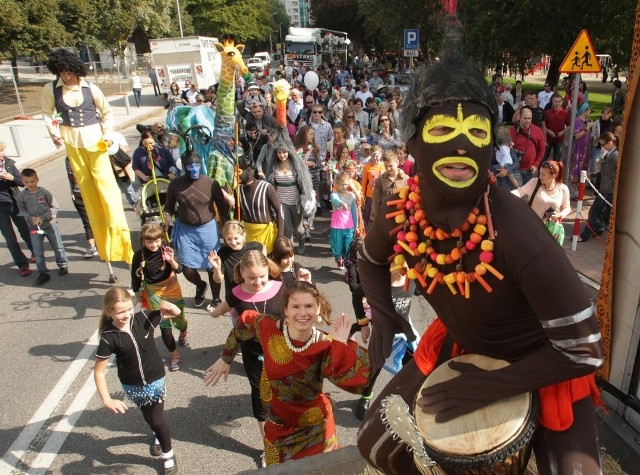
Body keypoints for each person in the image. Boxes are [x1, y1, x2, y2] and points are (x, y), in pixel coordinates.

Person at [356, 12, 603, 473]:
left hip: (545, 365)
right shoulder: (400, 210)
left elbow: (585, 347)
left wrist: (497, 385)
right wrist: (384, 318)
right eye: (443, 131)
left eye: (477, 133)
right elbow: (369, 261)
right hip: (461, 348)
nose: (462, 147)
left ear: (492, 147)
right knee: (377, 444)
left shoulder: (515, 231)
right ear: (412, 143)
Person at [203, 281, 370, 466]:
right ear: (285, 309)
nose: (303, 313)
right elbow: (243, 323)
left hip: (316, 427)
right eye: (295, 306)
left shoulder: (325, 344)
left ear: (317, 309)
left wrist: (340, 346)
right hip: (278, 428)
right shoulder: (267, 327)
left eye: (308, 306)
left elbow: (359, 383)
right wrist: (226, 357)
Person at [42, 49, 132, 264]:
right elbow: (47, 113)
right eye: (61, 73)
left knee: (108, 193)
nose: (66, 76)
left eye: (69, 72)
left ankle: (122, 243)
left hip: (96, 142)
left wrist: (108, 134)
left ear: (76, 70)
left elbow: (107, 112)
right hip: (73, 145)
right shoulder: (50, 90)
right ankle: (102, 246)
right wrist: (54, 134)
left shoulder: (91, 88)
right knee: (89, 196)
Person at [206, 251, 286, 463]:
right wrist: (212, 312)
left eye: (262, 276)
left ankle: (289, 436)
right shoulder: (236, 294)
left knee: (284, 394)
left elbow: (301, 309)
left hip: (283, 352)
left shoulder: (282, 287)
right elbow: (222, 309)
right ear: (241, 272)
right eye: (251, 278)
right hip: (253, 355)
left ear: (269, 270)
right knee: (260, 398)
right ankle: (267, 445)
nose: (257, 282)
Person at [94, 287, 180, 475]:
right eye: (120, 312)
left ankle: (168, 455)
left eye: (128, 309)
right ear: (109, 312)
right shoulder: (108, 337)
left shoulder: (143, 318)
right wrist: (107, 399)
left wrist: (170, 306)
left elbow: (176, 313)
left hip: (156, 380)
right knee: (148, 417)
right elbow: (99, 372)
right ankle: (157, 436)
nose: (126, 315)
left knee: (158, 419)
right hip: (133, 386)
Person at [163, 150, 230, 307]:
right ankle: (200, 286)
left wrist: (228, 228)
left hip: (208, 230)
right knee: (187, 269)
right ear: (184, 166)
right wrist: (164, 223)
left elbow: (223, 208)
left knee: (212, 266)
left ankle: (216, 297)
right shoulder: (175, 185)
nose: (194, 169)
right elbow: (168, 208)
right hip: (186, 231)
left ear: (201, 165)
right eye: (190, 166)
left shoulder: (211, 183)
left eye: (197, 165)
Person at [131, 223, 187, 373]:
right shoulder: (139, 255)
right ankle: (174, 354)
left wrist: (170, 259)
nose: (154, 245)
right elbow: (135, 278)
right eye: (150, 242)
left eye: (157, 241)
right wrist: (136, 295)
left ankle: (183, 331)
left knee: (180, 321)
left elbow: (179, 269)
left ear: (161, 239)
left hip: (172, 287)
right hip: (154, 293)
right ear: (143, 241)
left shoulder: (166, 249)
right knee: (164, 326)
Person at [263, 132, 314, 254]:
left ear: (289, 152)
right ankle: (289, 251)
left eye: (284, 152)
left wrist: (306, 198)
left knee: (299, 229)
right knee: (287, 230)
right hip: (281, 202)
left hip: (296, 201)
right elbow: (269, 184)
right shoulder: (273, 166)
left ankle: (301, 240)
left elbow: (305, 183)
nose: (282, 155)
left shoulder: (297, 164)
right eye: (279, 152)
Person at [16, 168, 69, 286]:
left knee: (58, 247)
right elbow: (22, 210)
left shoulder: (44, 192)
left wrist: (43, 217)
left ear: (37, 180)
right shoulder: (21, 196)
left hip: (50, 225)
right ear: (23, 182)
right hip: (34, 228)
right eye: (26, 182)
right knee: (38, 251)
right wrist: (30, 218)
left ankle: (63, 265)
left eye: (32, 181)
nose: (30, 184)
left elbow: (54, 207)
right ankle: (43, 273)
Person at [207, 221, 266, 325]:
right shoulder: (223, 253)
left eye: (236, 238)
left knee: (259, 323)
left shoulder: (255, 247)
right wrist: (217, 268)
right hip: (235, 296)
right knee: (239, 326)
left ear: (243, 236)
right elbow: (218, 279)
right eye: (229, 239)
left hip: (254, 292)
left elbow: (263, 249)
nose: (233, 242)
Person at [0, 142, 34, 276]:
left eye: (1, 151)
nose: (1, 154)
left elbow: (22, 182)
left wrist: (11, 177)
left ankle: (35, 253)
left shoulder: (8, 163)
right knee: (10, 239)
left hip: (14, 203)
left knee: (25, 231)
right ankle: (22, 265)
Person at [579, 132, 618, 242]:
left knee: (593, 212)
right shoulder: (610, 153)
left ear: (610, 143)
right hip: (604, 188)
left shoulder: (615, 156)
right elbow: (604, 171)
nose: (602, 147)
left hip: (608, 190)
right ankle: (598, 228)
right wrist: (593, 174)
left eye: (603, 144)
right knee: (598, 212)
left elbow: (617, 174)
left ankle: (584, 235)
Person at [238, 166, 284, 254]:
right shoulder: (238, 189)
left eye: (240, 171)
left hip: (266, 232)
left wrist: (280, 236)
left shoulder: (267, 187)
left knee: (268, 263)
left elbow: (279, 210)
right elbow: (238, 213)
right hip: (248, 233)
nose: (238, 174)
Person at [512, 160, 571, 225]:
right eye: (540, 173)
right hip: (533, 227)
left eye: (543, 174)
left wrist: (559, 215)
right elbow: (519, 192)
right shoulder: (534, 182)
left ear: (553, 176)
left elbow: (567, 208)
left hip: (551, 230)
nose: (540, 176)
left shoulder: (563, 189)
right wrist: (505, 194)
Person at [64, 157, 98, 258]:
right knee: (86, 221)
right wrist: (71, 191)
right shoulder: (68, 158)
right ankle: (92, 247)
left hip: (93, 193)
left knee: (101, 218)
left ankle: (107, 243)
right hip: (78, 193)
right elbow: (70, 176)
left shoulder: (86, 154)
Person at [369, 150, 409, 225]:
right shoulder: (380, 181)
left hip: (401, 217)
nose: (388, 169)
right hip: (385, 217)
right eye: (386, 166)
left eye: (390, 166)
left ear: (397, 163)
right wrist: (374, 220)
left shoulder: (406, 179)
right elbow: (376, 202)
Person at [330, 172, 359, 270]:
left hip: (349, 226)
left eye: (346, 184)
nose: (343, 186)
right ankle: (339, 258)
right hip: (337, 226)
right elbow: (334, 200)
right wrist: (342, 203)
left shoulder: (351, 195)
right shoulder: (335, 194)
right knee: (337, 247)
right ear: (337, 183)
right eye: (341, 184)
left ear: (349, 183)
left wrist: (356, 225)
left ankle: (347, 265)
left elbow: (354, 211)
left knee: (348, 246)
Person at [509, 107, 546, 185]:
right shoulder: (511, 130)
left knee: (527, 192)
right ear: (519, 117)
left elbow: (542, 149)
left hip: (530, 169)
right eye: (525, 118)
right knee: (518, 192)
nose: (527, 121)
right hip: (515, 169)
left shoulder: (537, 130)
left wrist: (536, 164)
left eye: (529, 118)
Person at [570, 102, 593, 186]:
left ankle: (580, 187)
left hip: (585, 149)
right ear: (584, 110)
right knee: (576, 166)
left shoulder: (587, 121)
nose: (591, 111)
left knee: (584, 168)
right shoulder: (576, 121)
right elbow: (577, 136)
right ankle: (574, 188)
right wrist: (587, 128)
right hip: (578, 148)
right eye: (589, 109)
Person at [541, 93, 569, 162]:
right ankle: (539, 171)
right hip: (548, 139)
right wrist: (548, 131)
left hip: (559, 139)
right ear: (553, 102)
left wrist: (562, 132)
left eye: (559, 102)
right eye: (556, 101)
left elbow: (569, 125)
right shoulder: (547, 112)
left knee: (557, 158)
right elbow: (543, 125)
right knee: (544, 157)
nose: (557, 103)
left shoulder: (565, 113)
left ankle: (555, 172)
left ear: (561, 102)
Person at [361, 145, 385, 225]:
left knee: (380, 216)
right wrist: (362, 196)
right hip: (370, 195)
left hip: (382, 195)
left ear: (381, 154)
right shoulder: (366, 167)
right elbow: (364, 183)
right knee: (369, 218)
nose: (375, 158)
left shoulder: (385, 166)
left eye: (377, 155)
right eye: (373, 155)